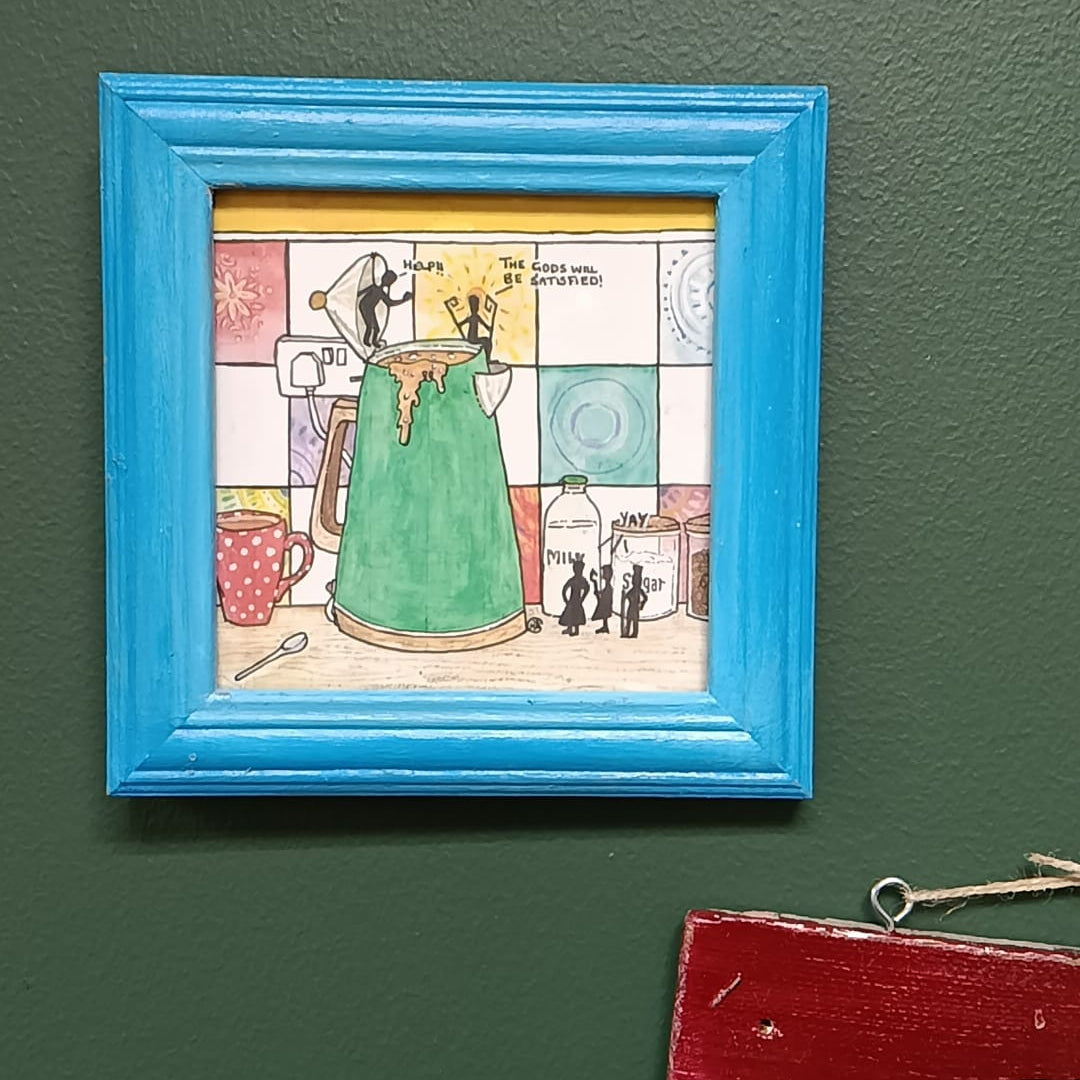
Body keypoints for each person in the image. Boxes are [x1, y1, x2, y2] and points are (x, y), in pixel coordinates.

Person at [357, 270, 413, 348]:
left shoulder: (381, 293)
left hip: (370, 308)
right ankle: (366, 342)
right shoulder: (374, 288)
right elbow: (359, 293)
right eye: (389, 280)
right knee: (370, 326)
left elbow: (390, 303)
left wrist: (403, 300)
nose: (390, 282)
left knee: (376, 329)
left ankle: (373, 342)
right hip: (365, 307)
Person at [446, 292, 494, 358]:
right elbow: (462, 323)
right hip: (472, 338)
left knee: (487, 341)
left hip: (474, 338)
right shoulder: (473, 317)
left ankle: (486, 357)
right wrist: (489, 328)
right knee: (487, 342)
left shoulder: (475, 317)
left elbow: (485, 326)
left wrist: (489, 328)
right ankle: (487, 357)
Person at [558, 559, 591, 637]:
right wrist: (566, 600)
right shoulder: (574, 580)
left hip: (577, 600)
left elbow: (587, 588)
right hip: (573, 600)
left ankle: (576, 630)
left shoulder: (581, 580)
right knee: (571, 614)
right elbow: (564, 589)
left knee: (576, 615)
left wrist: (582, 598)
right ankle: (570, 628)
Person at [619, 564, 648, 639]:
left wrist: (642, 604)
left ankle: (634, 633)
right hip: (631, 606)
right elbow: (627, 595)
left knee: (635, 620)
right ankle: (627, 632)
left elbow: (645, 598)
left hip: (635, 607)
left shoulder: (638, 590)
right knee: (629, 619)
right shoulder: (633, 589)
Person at [590, 564, 614, 634]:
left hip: (606, 604)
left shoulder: (609, 587)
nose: (603, 574)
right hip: (605, 603)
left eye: (604, 572)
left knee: (604, 613)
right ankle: (605, 626)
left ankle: (605, 627)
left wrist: (599, 593)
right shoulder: (607, 586)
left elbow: (606, 595)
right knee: (604, 614)